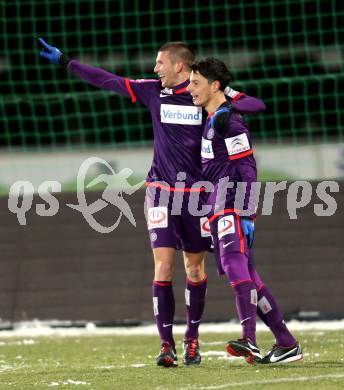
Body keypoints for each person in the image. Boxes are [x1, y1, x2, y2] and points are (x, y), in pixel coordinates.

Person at [38, 38, 265, 367]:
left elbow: (257, 105)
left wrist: (227, 98)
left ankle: (191, 339)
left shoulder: (203, 94)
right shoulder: (152, 91)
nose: (154, 68)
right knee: (163, 266)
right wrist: (67, 62)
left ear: (179, 66)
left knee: (195, 269)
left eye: (160, 63)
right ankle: (165, 345)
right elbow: (108, 80)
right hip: (160, 191)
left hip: (197, 197)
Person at [187, 57, 303, 364]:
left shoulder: (229, 120)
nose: (190, 89)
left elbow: (247, 168)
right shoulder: (212, 121)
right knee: (248, 274)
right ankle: (286, 343)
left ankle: (249, 340)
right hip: (217, 204)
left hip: (233, 203)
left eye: (196, 83)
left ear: (214, 86)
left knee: (236, 264)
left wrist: (246, 211)